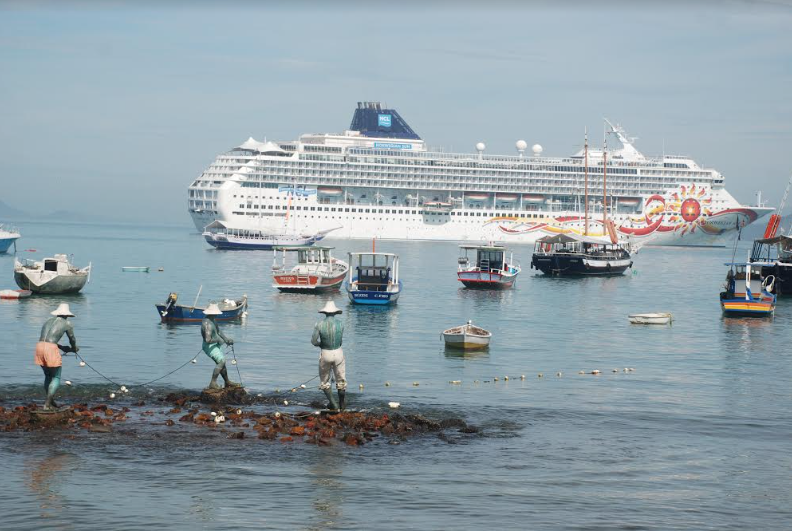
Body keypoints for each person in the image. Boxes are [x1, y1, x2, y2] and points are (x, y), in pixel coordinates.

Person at [35, 303, 79, 410]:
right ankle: (47, 403)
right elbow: (72, 338)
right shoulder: (67, 323)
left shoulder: (48, 321)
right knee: (56, 376)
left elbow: (47, 339)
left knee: (48, 376)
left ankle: (50, 400)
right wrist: (74, 348)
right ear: (67, 315)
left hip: (39, 346)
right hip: (50, 348)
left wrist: (61, 347)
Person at [311, 301, 346, 411]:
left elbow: (313, 341)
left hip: (326, 353)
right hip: (338, 352)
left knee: (325, 381)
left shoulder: (319, 324)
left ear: (325, 313)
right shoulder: (341, 324)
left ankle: (333, 404)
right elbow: (340, 341)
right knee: (341, 380)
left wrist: (321, 344)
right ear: (335, 312)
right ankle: (341, 404)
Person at [201, 303, 241, 389]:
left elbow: (218, 332)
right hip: (209, 346)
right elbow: (207, 340)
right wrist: (218, 340)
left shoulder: (213, 320)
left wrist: (226, 340)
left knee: (222, 364)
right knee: (221, 361)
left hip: (215, 345)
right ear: (213, 313)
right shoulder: (207, 324)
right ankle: (213, 383)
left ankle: (227, 382)